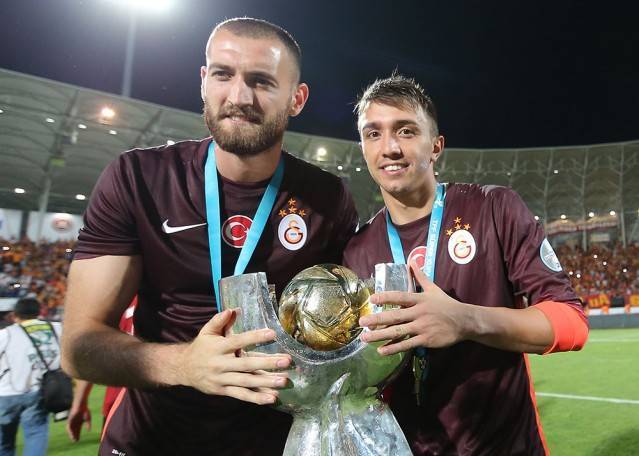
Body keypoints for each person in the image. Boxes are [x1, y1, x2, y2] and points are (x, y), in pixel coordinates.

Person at [61, 17, 358, 456]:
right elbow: (78, 347)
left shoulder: (327, 199)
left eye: (261, 81)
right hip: (150, 440)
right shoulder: (138, 178)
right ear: (203, 81)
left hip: (268, 442)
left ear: (297, 99)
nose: (238, 97)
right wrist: (186, 365)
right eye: (223, 74)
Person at [343, 73, 589, 455]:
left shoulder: (494, 208)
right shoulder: (356, 250)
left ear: (436, 146)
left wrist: (465, 320)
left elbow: (572, 324)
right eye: (373, 134)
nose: (389, 147)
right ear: (362, 147)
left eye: (406, 131)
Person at [66, 299, 137, 442]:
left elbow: (91, 354)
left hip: (119, 405)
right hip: (165, 405)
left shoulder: (116, 301)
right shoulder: (177, 300)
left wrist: (79, 403)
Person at [0, 297, 62, 456]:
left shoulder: (6, 334)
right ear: (39, 311)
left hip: (7, 392)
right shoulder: (56, 328)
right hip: (41, 391)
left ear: (14, 315)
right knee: (36, 434)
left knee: (4, 442)